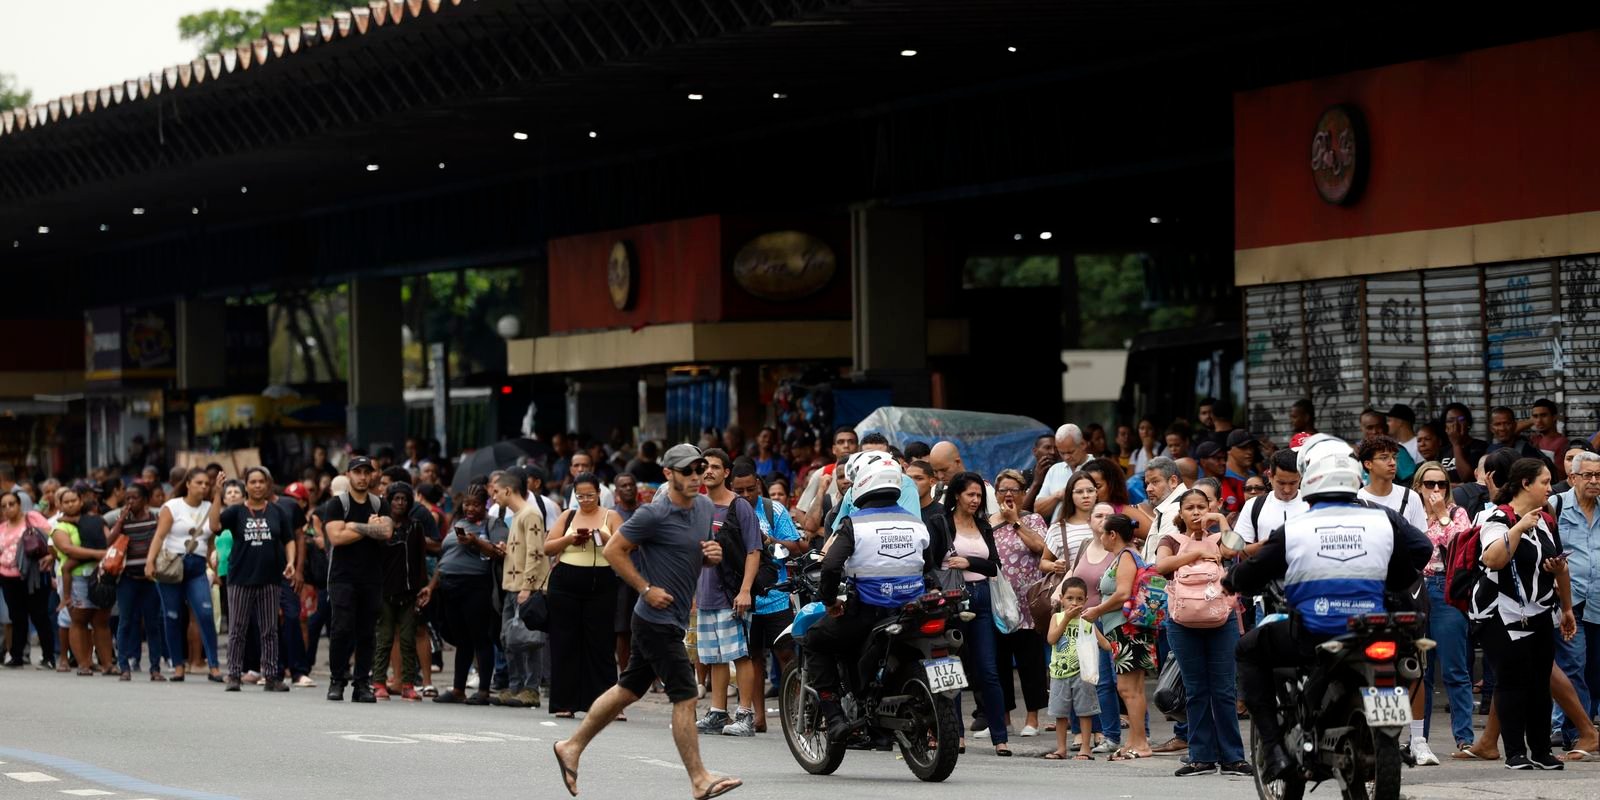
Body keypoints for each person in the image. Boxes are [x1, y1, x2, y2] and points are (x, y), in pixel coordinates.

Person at [1229, 433, 1433, 781]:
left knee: (1248, 649)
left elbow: (1249, 575)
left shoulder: (1294, 528)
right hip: (1374, 629)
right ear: (1356, 475)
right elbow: (1412, 565)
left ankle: (1275, 750)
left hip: (1315, 632)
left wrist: (1231, 580)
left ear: (1308, 478)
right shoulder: (1382, 520)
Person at [552, 444, 742, 800]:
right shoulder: (653, 514)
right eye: (687, 471)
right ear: (668, 474)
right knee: (685, 696)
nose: (696, 477)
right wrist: (645, 588)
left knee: (628, 689)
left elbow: (695, 553)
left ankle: (571, 746)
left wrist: (710, 556)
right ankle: (699, 779)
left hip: (673, 618)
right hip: (654, 619)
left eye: (700, 469)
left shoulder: (703, 507)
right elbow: (613, 550)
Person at [807, 457, 939, 736]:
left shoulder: (854, 523)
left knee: (816, 640)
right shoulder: (915, 523)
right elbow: (928, 567)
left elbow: (830, 566)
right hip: (909, 612)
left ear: (864, 485)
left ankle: (834, 718)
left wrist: (829, 601)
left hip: (868, 612)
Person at [1469, 457, 1577, 770]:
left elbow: (1560, 566)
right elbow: (1493, 559)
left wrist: (1567, 608)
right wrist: (1517, 527)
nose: (1550, 488)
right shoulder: (1496, 518)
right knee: (1511, 681)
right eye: (1545, 482)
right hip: (1500, 612)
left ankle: (1541, 750)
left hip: (1540, 609)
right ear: (1525, 484)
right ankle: (1514, 752)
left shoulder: (1547, 519)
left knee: (1540, 681)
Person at [1153, 489, 1250, 776]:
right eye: (1190, 508)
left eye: (1201, 507)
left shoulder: (1220, 537)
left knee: (1224, 690)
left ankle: (1233, 757)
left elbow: (1235, 550)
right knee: (1196, 690)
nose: (1196, 513)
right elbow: (1161, 565)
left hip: (1222, 620)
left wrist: (1220, 520)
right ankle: (1201, 756)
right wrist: (1195, 552)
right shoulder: (1170, 539)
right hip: (1182, 623)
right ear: (1180, 513)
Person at [692, 449, 763, 737]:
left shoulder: (739, 507)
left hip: (731, 593)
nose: (708, 471)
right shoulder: (696, 506)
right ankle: (718, 712)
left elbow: (754, 550)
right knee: (715, 657)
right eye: (704, 467)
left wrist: (745, 590)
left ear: (726, 473)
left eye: (714, 467)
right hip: (705, 594)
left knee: (740, 655)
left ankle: (745, 714)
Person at [941, 471, 1012, 755]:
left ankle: (1000, 737)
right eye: (970, 494)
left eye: (979, 496)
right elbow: (934, 562)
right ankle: (955, 734)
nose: (975, 500)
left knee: (988, 670)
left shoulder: (983, 525)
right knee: (952, 668)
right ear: (957, 495)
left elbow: (994, 566)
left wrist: (967, 561)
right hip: (951, 600)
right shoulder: (942, 523)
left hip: (981, 597)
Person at [730, 461, 803, 733]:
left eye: (751, 488)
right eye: (740, 491)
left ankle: (795, 713)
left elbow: (796, 546)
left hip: (776, 597)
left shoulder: (774, 510)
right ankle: (758, 718)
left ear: (758, 485)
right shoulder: (727, 512)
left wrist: (769, 540)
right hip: (743, 600)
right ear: (732, 488)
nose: (747, 495)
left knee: (786, 654)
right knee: (752, 659)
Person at [1409, 460, 1475, 761]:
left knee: (1455, 669)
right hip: (1414, 589)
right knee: (1418, 670)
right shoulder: (1409, 511)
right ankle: (1417, 739)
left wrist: (1441, 515)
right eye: (1429, 484)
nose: (1436, 489)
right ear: (1418, 486)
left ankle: (1465, 739)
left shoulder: (1457, 512)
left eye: (1441, 484)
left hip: (1444, 588)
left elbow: (1461, 545)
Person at [210, 467, 296, 693]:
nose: (257, 486)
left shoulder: (277, 512)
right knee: (237, 629)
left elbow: (289, 539)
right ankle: (234, 675)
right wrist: (217, 494)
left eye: (261, 482)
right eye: (253, 482)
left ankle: (271, 677)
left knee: (269, 630)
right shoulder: (236, 512)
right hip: (240, 579)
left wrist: (291, 562)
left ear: (268, 485)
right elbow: (214, 526)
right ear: (246, 486)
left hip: (270, 579)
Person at [545, 472, 623, 718]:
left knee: (601, 643)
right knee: (565, 642)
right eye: (580, 496)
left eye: (590, 495)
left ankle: (608, 705)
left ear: (600, 493)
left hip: (601, 581)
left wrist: (603, 537)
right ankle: (564, 703)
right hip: (566, 581)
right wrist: (570, 538)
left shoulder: (611, 516)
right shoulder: (568, 515)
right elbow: (547, 546)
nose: (586, 500)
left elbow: (625, 546)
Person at [319, 456, 394, 703]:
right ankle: (337, 681)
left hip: (372, 577)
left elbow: (385, 531)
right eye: (357, 472)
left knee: (366, 632)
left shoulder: (379, 503)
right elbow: (336, 538)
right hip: (342, 578)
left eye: (366, 472)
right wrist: (366, 528)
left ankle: (362, 683)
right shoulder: (336, 504)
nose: (362, 477)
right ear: (349, 474)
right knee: (341, 630)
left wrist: (354, 526)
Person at [1082, 513, 1156, 760]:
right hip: (1123, 630)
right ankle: (1134, 741)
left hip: (1127, 629)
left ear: (1112, 535)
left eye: (1104, 532)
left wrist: (1097, 611)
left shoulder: (1126, 556)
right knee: (1130, 688)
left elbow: (1123, 593)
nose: (1101, 537)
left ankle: (1141, 743)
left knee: (1129, 688)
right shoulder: (1124, 556)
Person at [421, 482, 498, 705]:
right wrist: (431, 586)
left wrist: (475, 541)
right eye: (467, 504)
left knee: (480, 638)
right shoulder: (458, 522)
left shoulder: (492, 524)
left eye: (475, 504)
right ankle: (458, 689)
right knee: (462, 640)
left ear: (485, 505)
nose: (470, 508)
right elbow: (444, 558)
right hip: (448, 585)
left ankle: (483, 690)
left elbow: (499, 551)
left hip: (475, 586)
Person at [990, 469, 1050, 737]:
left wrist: (1015, 521)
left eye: (1014, 489)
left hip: (1028, 603)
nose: (1009, 494)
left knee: (1030, 663)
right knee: (999, 661)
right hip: (1000, 603)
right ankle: (1003, 717)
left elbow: (1040, 547)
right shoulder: (988, 521)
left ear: (1024, 493)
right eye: (1003, 490)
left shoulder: (1034, 519)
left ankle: (1032, 718)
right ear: (995, 494)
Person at [148, 468, 221, 682]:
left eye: (207, 484)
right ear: (187, 483)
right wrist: (150, 561)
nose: (203, 487)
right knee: (172, 616)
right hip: (172, 565)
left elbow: (214, 531)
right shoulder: (172, 507)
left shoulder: (210, 507)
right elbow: (159, 535)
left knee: (206, 614)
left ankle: (214, 666)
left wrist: (218, 494)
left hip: (197, 568)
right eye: (199, 482)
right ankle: (178, 665)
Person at [494, 471, 550, 709]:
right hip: (512, 587)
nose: (494, 496)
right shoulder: (518, 515)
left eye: (496, 491)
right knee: (511, 639)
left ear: (508, 491)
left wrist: (528, 586)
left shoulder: (530, 514)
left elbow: (536, 553)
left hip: (525, 589)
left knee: (530, 640)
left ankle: (530, 688)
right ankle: (515, 686)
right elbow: (524, 549)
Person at [1556, 450, 1600, 747]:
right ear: (1573, 478)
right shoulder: (1556, 505)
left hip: (1598, 600)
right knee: (1573, 665)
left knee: (1595, 669)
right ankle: (1578, 732)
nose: (1594, 481)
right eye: (1588, 475)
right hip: (1569, 603)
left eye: (1598, 476)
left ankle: (1586, 727)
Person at [372, 481, 430, 702]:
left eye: (404, 499)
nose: (400, 503)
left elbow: (420, 558)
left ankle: (407, 684)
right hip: (385, 590)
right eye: (396, 498)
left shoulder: (415, 527)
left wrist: (423, 586)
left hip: (409, 591)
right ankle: (378, 682)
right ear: (389, 500)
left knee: (407, 639)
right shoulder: (380, 526)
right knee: (385, 638)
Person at [1044, 577, 1111, 760]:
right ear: (1061, 598)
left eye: (1079, 599)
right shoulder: (1056, 618)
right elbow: (1051, 639)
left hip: (1083, 674)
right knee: (1060, 713)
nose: (1074, 603)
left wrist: (1115, 647)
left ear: (1086, 600)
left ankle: (1085, 748)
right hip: (1059, 673)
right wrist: (1065, 618)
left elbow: (1103, 642)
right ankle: (1060, 748)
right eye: (1070, 598)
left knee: (1085, 711)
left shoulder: (1087, 622)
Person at [109, 483, 164, 680]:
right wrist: (121, 521)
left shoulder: (154, 519)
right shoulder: (123, 520)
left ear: (146, 500)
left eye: (135, 498)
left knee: (152, 624)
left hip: (150, 580)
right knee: (125, 622)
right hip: (128, 579)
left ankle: (155, 668)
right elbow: (108, 541)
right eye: (128, 499)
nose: (131, 502)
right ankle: (124, 667)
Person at [0, 490, 54, 669]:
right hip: (8, 577)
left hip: (33, 575)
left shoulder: (32, 518)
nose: (8, 508)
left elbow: (52, 536)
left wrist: (51, 556)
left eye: (11, 504)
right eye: (4, 506)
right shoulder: (2, 528)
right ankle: (17, 656)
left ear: (19, 505)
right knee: (17, 617)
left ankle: (49, 656)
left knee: (39, 615)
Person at [1357, 435, 1428, 533]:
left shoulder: (1411, 497)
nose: (1392, 463)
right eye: (1384, 458)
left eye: (1394, 457)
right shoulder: (1357, 499)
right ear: (1368, 464)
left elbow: (1422, 541)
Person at [1039, 471, 1097, 575]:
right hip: (1073, 587)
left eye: (1090, 490)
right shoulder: (1058, 528)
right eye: (1079, 492)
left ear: (1096, 493)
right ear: (1070, 495)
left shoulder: (1108, 523)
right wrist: (1054, 566)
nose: (1086, 495)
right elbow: (1043, 563)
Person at [1142, 457, 1184, 561]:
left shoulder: (1174, 510)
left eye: (1155, 482)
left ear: (1173, 481)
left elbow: (1161, 561)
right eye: (1147, 483)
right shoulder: (1172, 506)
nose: (1148, 489)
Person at [1529, 399, 1571, 479]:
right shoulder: (1534, 440)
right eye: (1535, 416)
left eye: (1543, 415)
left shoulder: (1562, 443)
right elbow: (1511, 432)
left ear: (1554, 417)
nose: (1539, 420)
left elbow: (1561, 476)